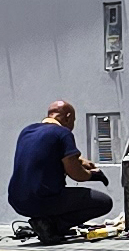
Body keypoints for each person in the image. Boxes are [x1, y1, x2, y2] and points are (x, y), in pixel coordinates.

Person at [7, 102, 111, 243]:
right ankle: (52, 226)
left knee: (56, 195)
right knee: (104, 202)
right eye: (73, 121)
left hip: (17, 200)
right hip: (43, 199)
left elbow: (46, 154)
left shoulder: (27, 131)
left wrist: (81, 161)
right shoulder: (63, 133)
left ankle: (47, 223)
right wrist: (94, 175)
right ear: (68, 117)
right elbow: (76, 174)